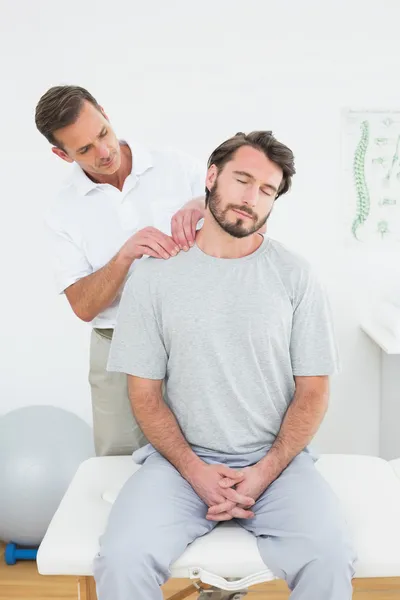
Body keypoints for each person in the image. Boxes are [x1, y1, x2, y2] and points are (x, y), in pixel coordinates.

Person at [93, 130, 357, 599]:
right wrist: (195, 470)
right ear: (210, 177)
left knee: (330, 556)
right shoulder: (154, 278)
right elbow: (144, 395)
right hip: (178, 466)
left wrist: (265, 470)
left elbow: (313, 392)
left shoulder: (295, 275)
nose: (250, 198)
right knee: (121, 558)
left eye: (266, 190)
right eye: (242, 179)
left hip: (275, 467)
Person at [35, 85, 206, 456]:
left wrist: (201, 203)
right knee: (119, 465)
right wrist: (124, 256)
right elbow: (82, 307)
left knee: (205, 453)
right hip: (117, 348)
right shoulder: (62, 212)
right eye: (84, 150)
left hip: (191, 338)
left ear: (105, 114)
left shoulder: (177, 166)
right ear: (61, 154)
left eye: (102, 134)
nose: (103, 152)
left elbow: (243, 216)